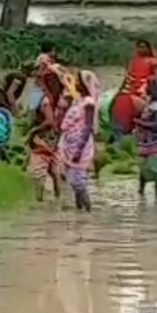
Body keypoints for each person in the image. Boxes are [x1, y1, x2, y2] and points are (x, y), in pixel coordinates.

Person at [60, 71, 101, 212]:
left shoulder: (88, 102)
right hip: (70, 142)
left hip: (80, 145)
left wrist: (79, 148)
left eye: (77, 80)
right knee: (72, 178)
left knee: (76, 180)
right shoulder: (78, 99)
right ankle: (79, 211)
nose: (74, 82)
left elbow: (88, 126)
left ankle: (88, 210)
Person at [132, 96, 157, 198]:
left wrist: (142, 123)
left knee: (156, 170)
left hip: (156, 143)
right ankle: (143, 192)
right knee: (144, 167)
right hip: (147, 142)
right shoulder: (152, 104)